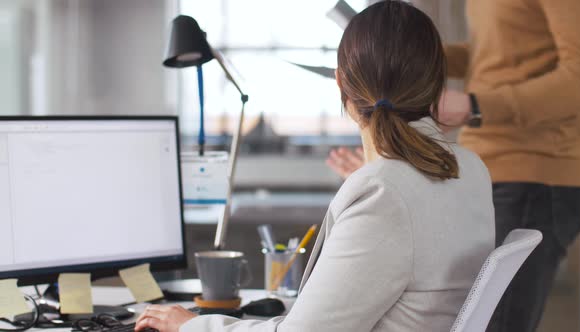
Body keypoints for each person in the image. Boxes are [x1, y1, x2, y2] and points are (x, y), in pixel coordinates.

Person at [135, 1, 495, 331]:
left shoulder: (384, 191)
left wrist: (190, 326)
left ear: (340, 82)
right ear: (436, 86)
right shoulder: (470, 169)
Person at [328, 0, 580, 331]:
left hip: (536, 170)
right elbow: (497, 53)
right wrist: (401, 54)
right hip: (487, 165)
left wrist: (476, 104)